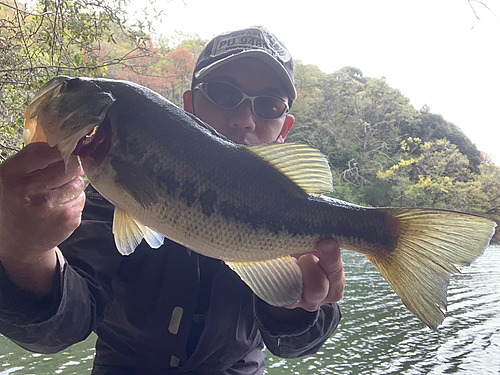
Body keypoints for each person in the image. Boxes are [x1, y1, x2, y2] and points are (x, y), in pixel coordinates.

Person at [0, 26, 345, 374]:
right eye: (225, 94)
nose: (244, 120)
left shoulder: (299, 211)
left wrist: (296, 309)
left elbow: (298, 343)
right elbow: (62, 327)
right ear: (188, 105)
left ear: (284, 130)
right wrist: (26, 256)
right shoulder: (114, 194)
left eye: (269, 106)